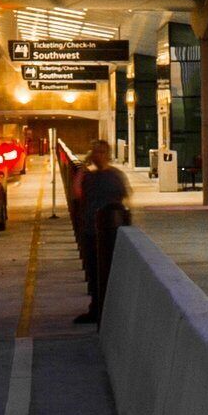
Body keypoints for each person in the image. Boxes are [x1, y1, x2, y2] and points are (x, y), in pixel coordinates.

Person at [68, 138, 131, 326]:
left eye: (101, 152)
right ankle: (97, 308)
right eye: (95, 152)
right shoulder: (94, 176)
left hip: (108, 231)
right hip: (94, 229)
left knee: (104, 273)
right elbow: (77, 192)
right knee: (96, 273)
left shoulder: (111, 176)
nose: (98, 156)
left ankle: (103, 309)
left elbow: (77, 193)